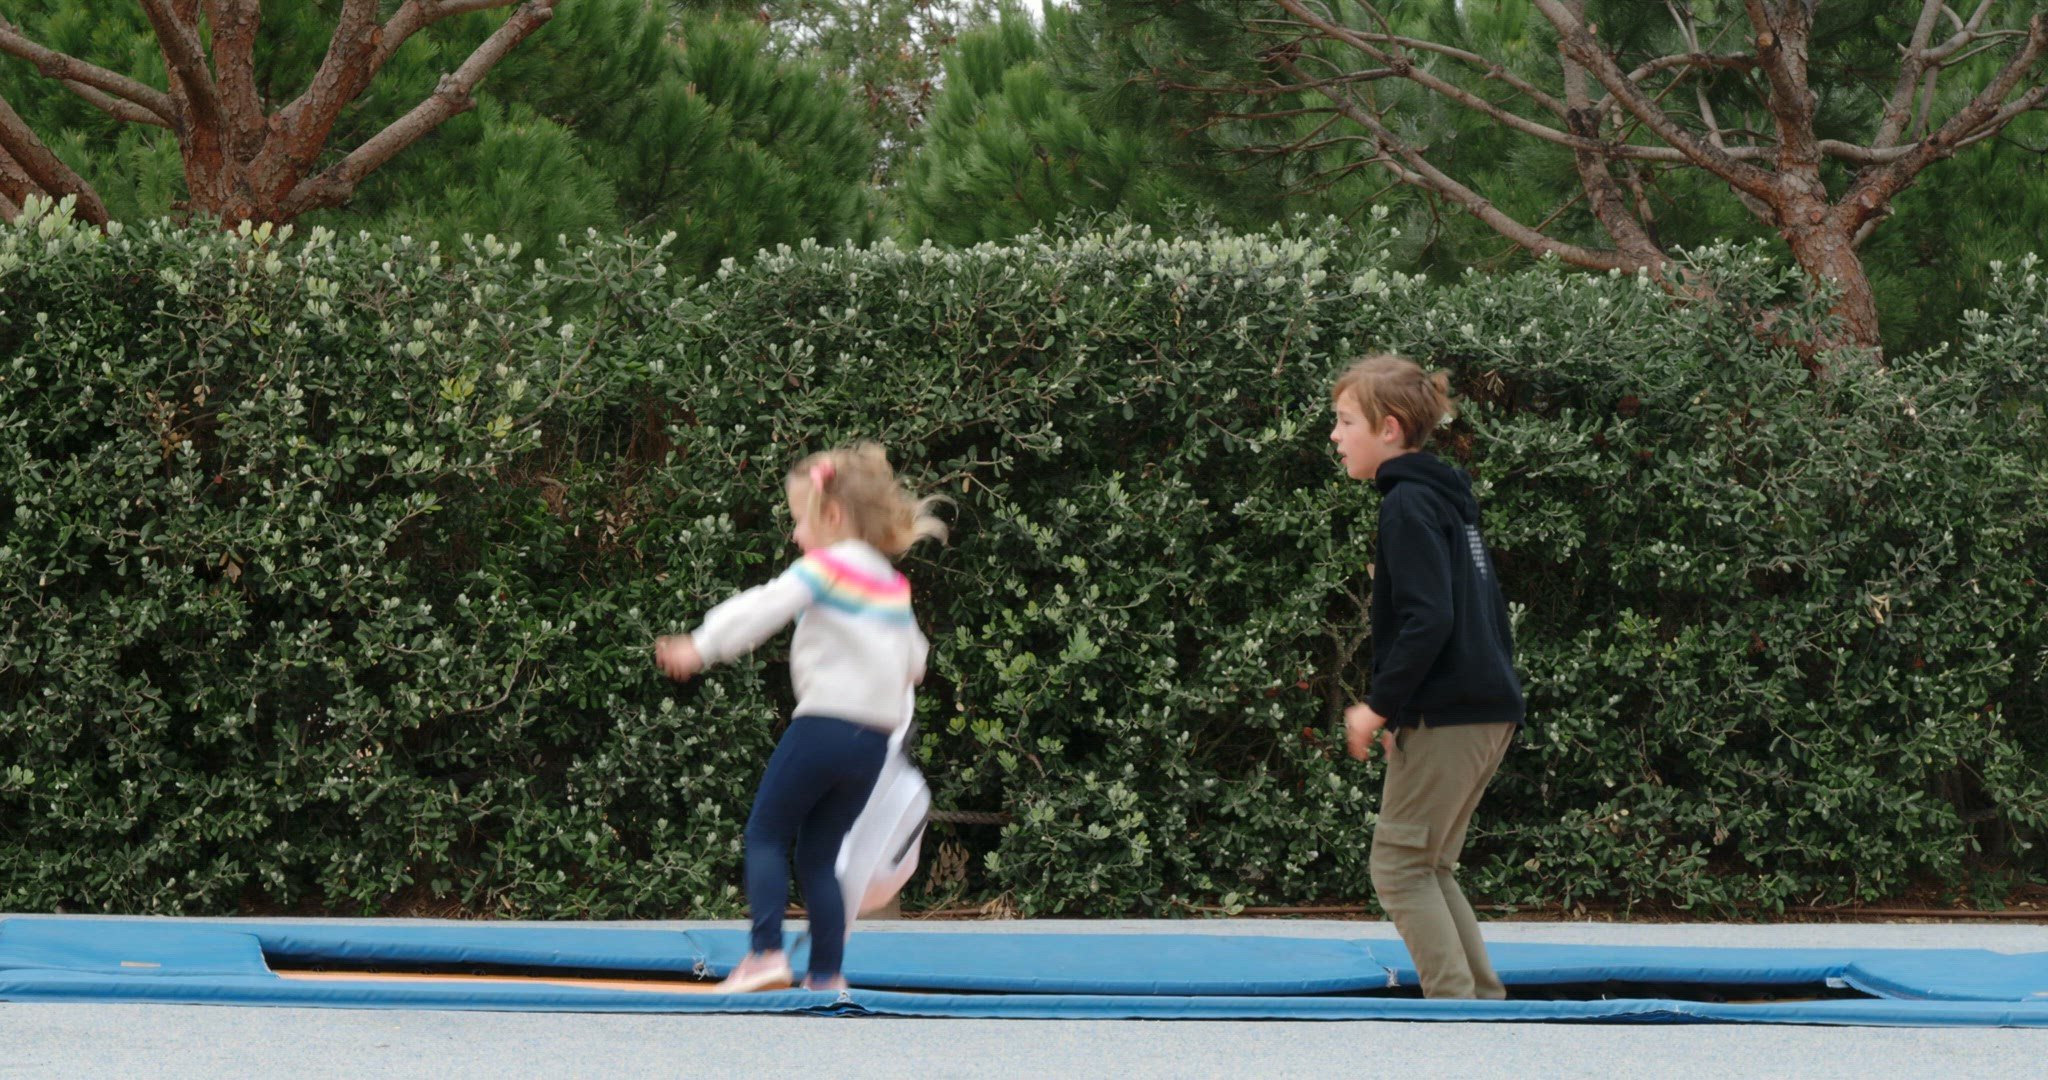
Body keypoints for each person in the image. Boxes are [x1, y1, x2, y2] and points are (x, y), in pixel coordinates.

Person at [654, 442, 945, 993]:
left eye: (799, 521)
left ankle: (765, 952)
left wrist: (701, 644)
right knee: (819, 854)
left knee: (766, 832)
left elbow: (764, 606)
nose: (794, 535)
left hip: (823, 727)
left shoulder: (825, 568)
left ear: (831, 516)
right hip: (870, 744)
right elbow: (916, 661)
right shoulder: (892, 585)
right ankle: (827, 974)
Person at [1329, 354, 1525, 1001]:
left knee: (1400, 867)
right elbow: (1477, 613)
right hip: (1480, 707)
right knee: (1430, 865)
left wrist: (1379, 707)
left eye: (1346, 421)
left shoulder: (1408, 504)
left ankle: (1458, 1011)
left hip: (1456, 710)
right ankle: (1480, 1005)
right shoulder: (1444, 499)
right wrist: (1407, 710)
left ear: (1388, 428)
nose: (1335, 434)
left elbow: (1428, 618)